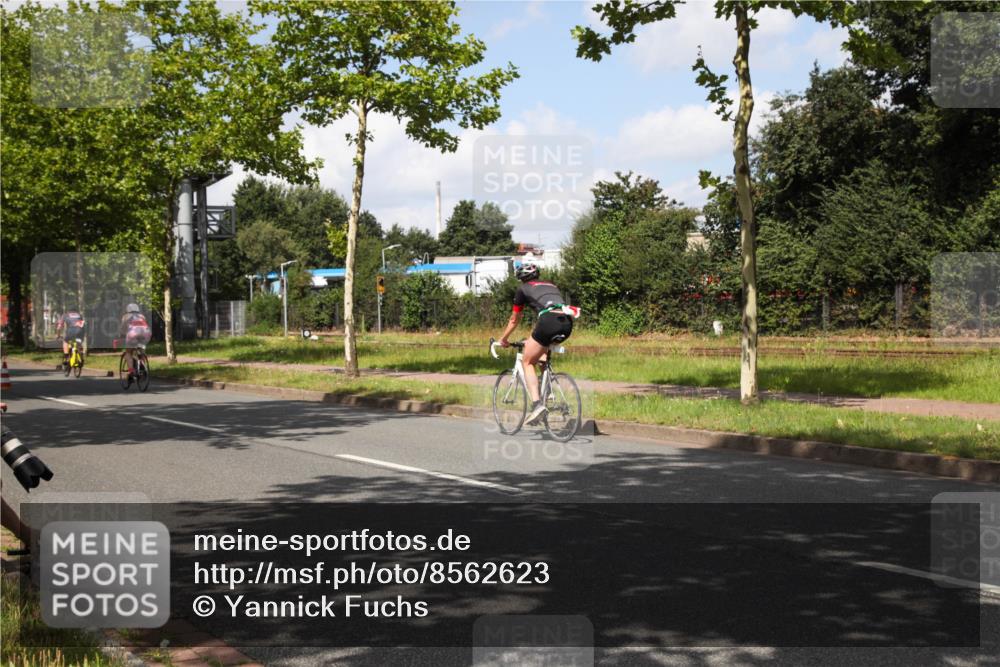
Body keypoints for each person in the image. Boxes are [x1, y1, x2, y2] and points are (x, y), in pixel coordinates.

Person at [498, 262, 579, 425]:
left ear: (521, 278)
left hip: (548, 321)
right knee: (540, 354)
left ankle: (537, 406)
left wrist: (503, 339)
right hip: (567, 322)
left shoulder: (523, 289)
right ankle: (547, 393)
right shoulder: (551, 285)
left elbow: (514, 319)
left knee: (527, 361)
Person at [119, 303, 151, 383]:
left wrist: (121, 336)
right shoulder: (142, 316)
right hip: (146, 334)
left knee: (128, 352)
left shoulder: (126, 316)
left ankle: (131, 372)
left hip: (133, 334)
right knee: (141, 350)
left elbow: (123, 329)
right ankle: (143, 366)